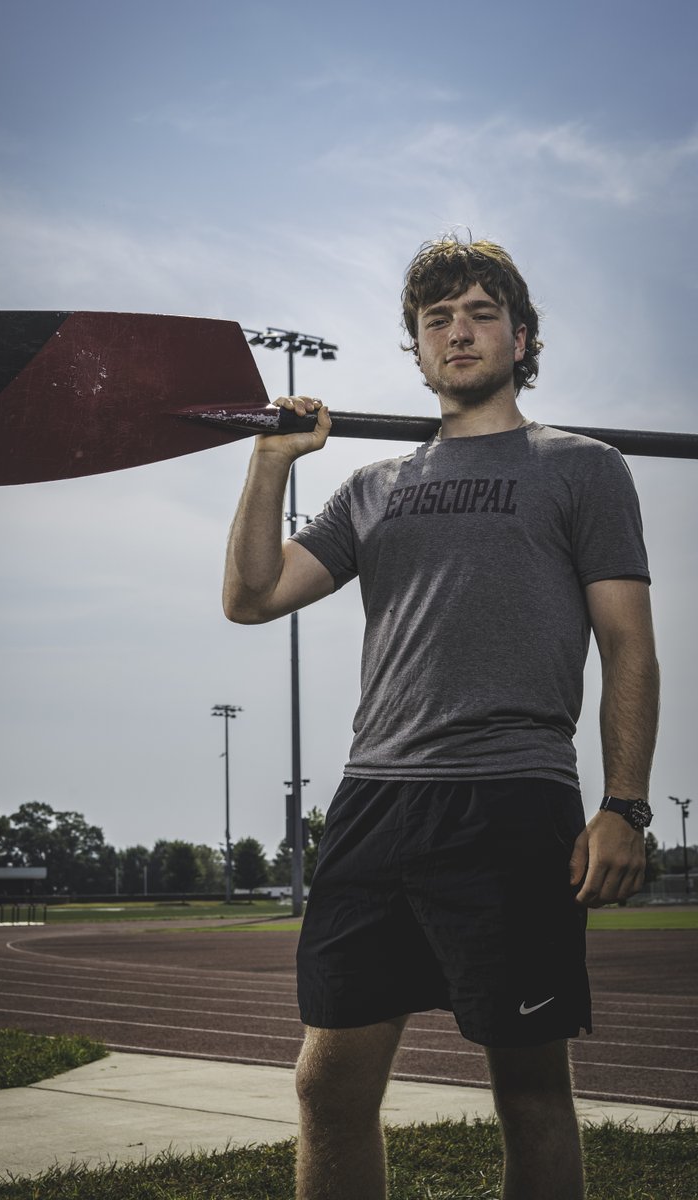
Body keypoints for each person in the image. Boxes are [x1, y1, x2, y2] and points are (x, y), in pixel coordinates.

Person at [222, 235, 659, 1200]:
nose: (457, 332)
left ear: (521, 335)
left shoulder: (583, 469)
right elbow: (252, 596)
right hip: (376, 801)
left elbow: (629, 644)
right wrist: (269, 464)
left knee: (531, 1089)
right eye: (436, 320)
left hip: (510, 797)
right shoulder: (375, 487)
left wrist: (624, 805)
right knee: (327, 1085)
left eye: (478, 313)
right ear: (418, 351)